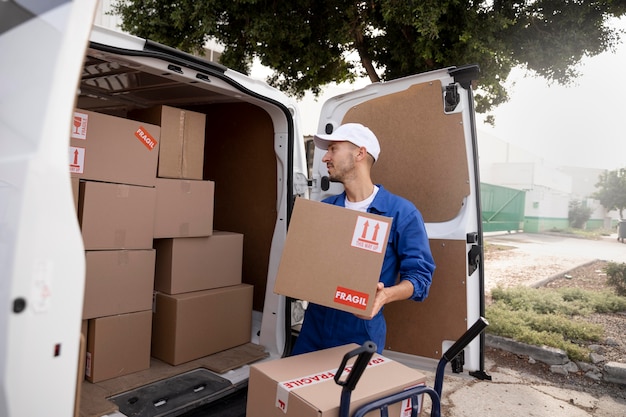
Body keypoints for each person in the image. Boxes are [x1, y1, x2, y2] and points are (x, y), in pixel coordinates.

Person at [290, 123, 436, 355]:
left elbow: (420, 279)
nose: (325, 158)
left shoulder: (401, 213)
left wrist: (385, 295)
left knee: (349, 392)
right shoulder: (325, 209)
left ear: (360, 153)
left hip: (360, 332)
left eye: (333, 149)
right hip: (313, 328)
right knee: (299, 390)